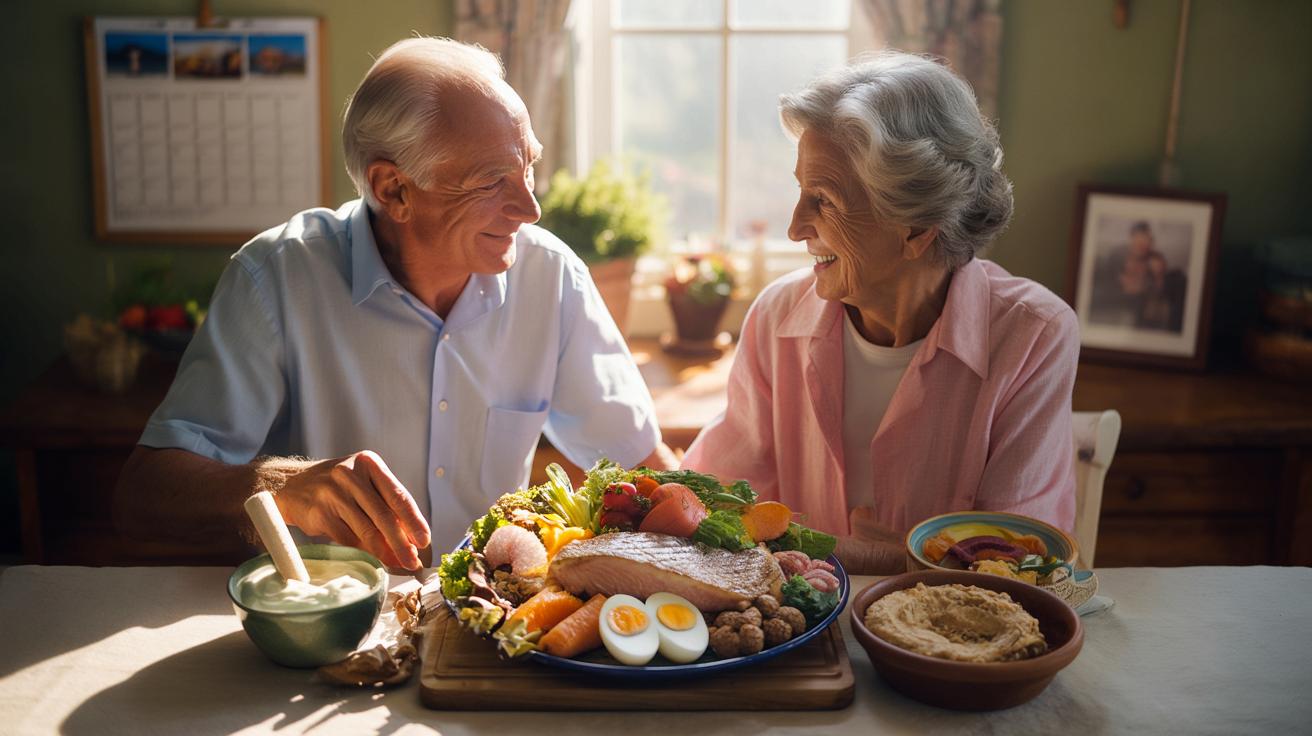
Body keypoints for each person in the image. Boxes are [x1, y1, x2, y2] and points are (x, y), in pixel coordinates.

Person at [114, 37, 676, 569]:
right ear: (393, 190)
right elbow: (142, 495)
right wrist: (280, 486)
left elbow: (643, 467)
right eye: (491, 182)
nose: (530, 209)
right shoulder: (275, 277)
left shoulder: (551, 276)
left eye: (528, 166)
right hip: (330, 619)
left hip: (487, 618)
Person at [681, 52, 1079, 574]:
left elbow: (1017, 567)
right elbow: (714, 508)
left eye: (824, 200)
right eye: (801, 191)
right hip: (807, 617)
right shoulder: (776, 318)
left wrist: (871, 559)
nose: (795, 227)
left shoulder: (1032, 334)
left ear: (916, 228)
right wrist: (903, 556)